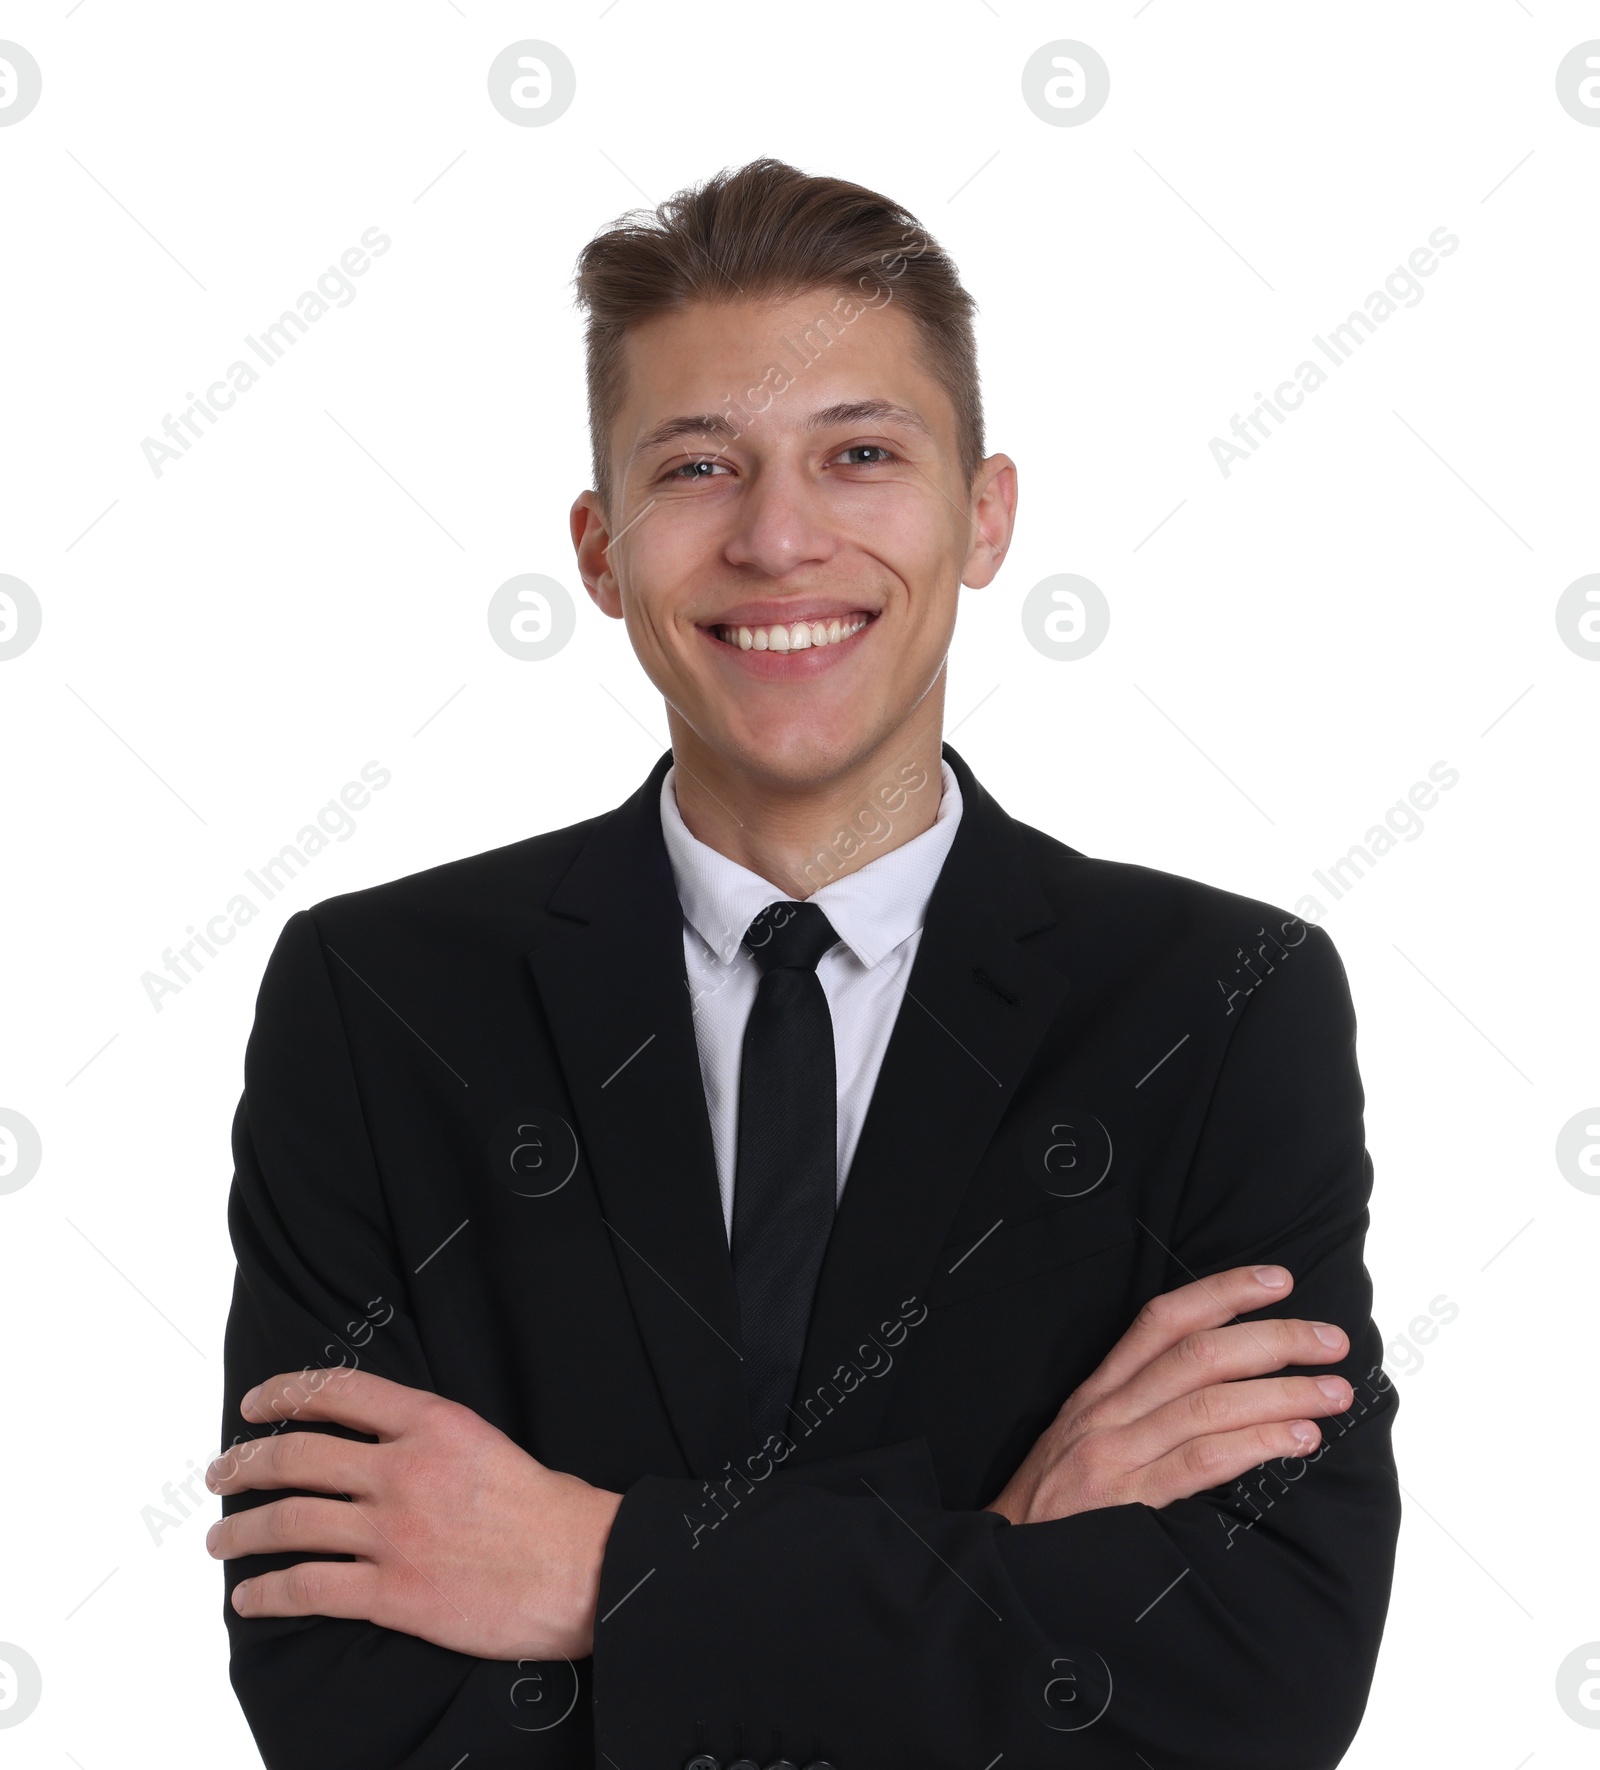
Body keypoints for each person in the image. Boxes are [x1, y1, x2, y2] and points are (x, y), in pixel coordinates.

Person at [208, 158, 1399, 1769]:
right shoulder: (380, 1004)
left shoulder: (1222, 1003)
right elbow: (347, 1696)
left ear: (982, 517)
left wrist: (588, 1565)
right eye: (700, 465)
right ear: (601, 547)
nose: (779, 538)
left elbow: (1256, 1681)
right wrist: (1001, 1537)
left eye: (860, 454)